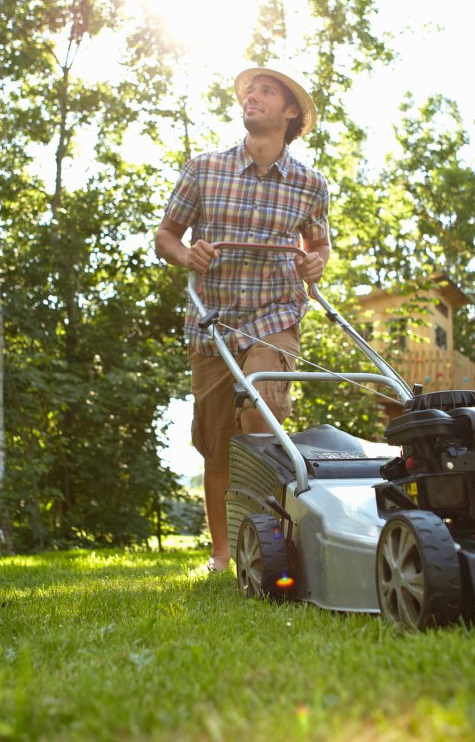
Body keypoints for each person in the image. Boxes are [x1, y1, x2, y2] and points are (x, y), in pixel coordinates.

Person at [155, 65, 331, 573]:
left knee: (259, 406)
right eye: (249, 90)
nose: (251, 95)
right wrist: (187, 255)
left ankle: (273, 540)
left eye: (266, 90)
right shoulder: (204, 168)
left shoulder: (309, 184)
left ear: (290, 111)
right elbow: (165, 235)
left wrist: (315, 261)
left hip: (276, 311)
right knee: (219, 446)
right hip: (212, 322)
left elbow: (318, 244)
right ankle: (224, 552)